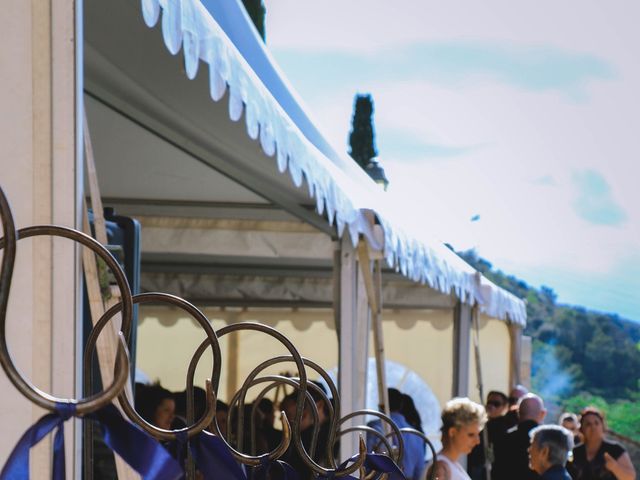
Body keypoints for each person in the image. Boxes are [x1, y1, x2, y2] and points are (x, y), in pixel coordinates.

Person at [366, 388, 426, 480]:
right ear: (401, 406)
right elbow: (419, 471)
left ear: (381, 404)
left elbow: (366, 461)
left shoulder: (375, 427)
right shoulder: (417, 435)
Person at [568, 407, 636, 480]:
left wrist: (615, 467)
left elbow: (630, 477)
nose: (593, 427)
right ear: (582, 429)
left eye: (596, 423)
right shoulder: (575, 452)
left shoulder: (615, 450)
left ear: (602, 426)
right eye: (588, 424)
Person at [429, 397, 487, 480]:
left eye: (478, 435)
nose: (477, 441)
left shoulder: (451, 464)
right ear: (452, 432)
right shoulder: (441, 467)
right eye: (471, 435)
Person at [492, 393, 546, 480]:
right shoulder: (547, 442)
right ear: (543, 414)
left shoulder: (503, 440)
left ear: (518, 413)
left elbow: (496, 473)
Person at [468, 390, 509, 479]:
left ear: (504, 407)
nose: (491, 406)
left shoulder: (505, 426)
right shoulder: (478, 422)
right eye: (489, 402)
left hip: (493, 469)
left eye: (496, 404)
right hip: (475, 465)